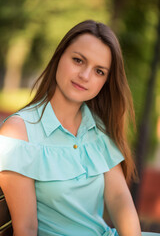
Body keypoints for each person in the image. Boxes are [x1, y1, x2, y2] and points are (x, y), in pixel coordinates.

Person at [0, 20, 158, 236]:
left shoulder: (98, 127)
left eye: (99, 71)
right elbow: (26, 229)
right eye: (78, 60)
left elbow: (119, 200)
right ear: (59, 57)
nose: (85, 76)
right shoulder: (18, 133)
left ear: (105, 82)